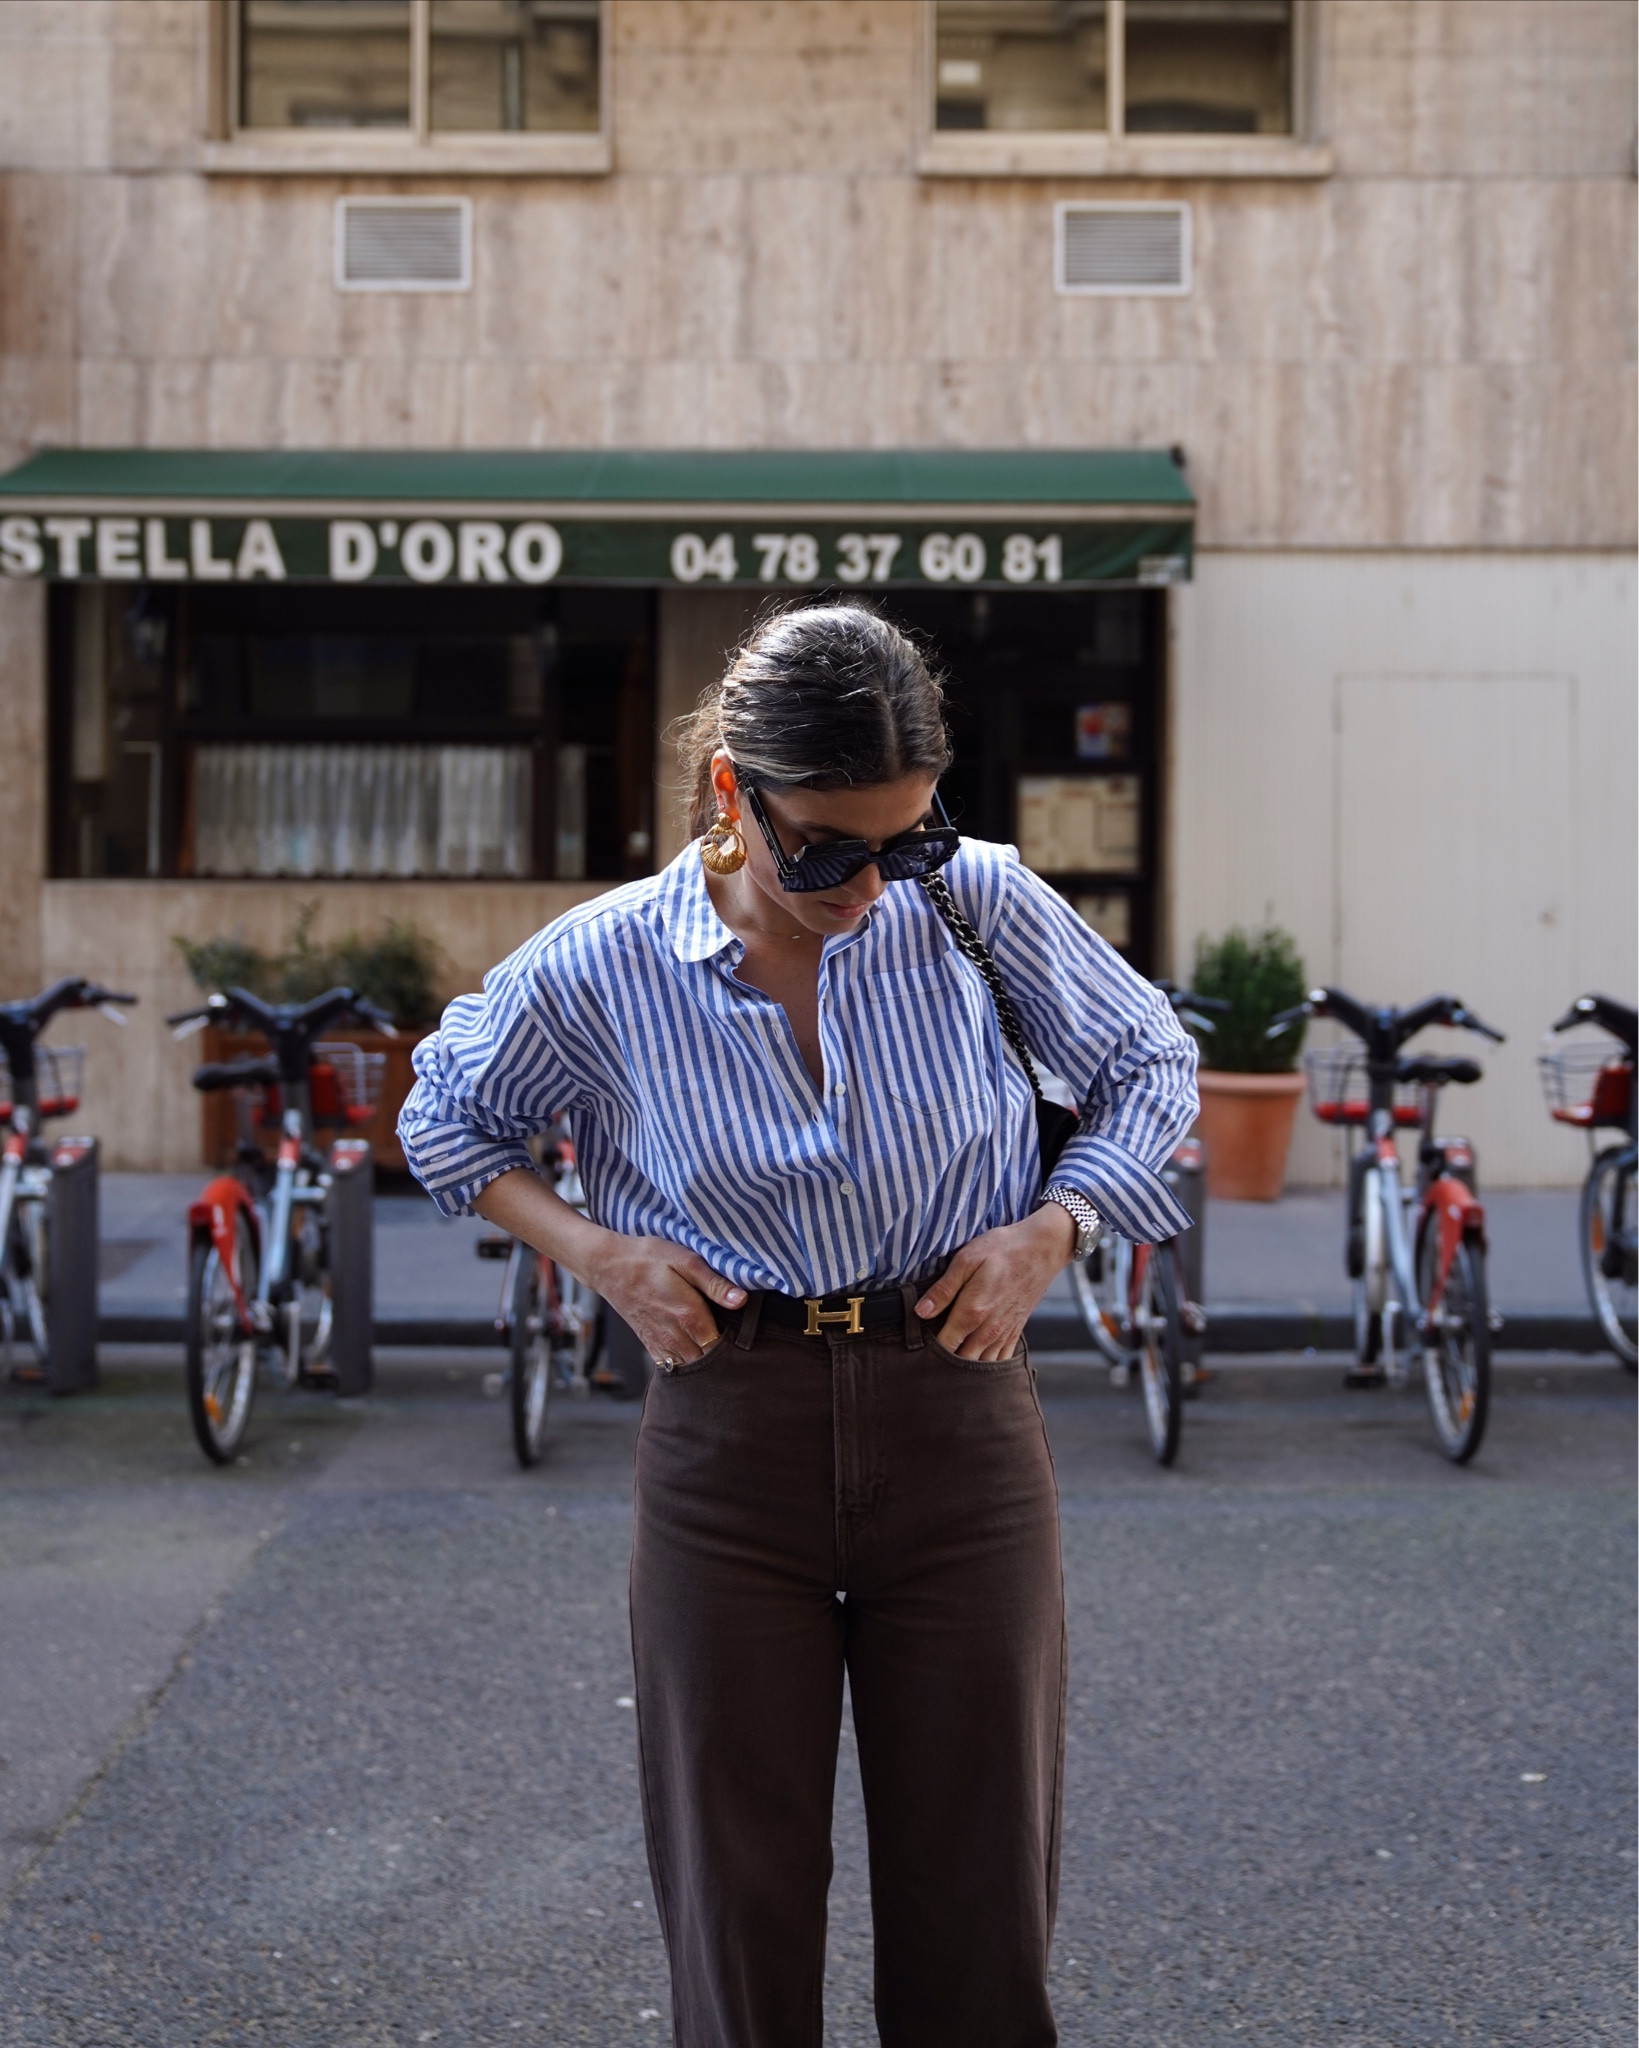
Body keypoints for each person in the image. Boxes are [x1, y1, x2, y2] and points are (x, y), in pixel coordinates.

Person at [399, 602, 1198, 2048]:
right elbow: (447, 1117)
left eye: (907, 839)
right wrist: (600, 1256)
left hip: (959, 1417)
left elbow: (1150, 1062)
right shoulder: (609, 962)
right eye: (827, 848)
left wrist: (1055, 1228)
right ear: (734, 791)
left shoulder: (979, 904)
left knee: (980, 1888)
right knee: (736, 1887)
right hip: (730, 1433)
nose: (869, 885)